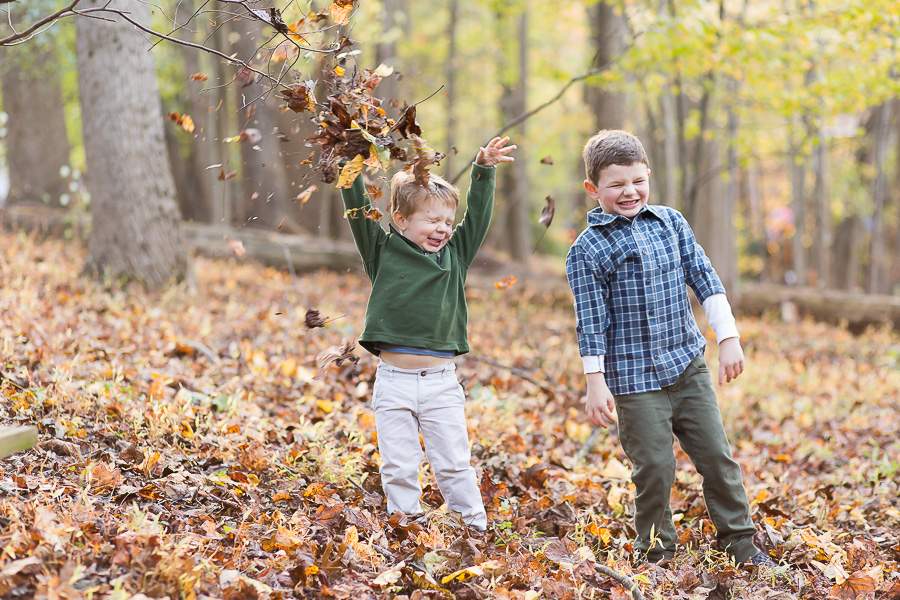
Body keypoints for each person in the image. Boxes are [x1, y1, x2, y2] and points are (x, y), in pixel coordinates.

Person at [565, 130, 775, 567]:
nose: (630, 192)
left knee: (718, 457)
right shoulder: (586, 250)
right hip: (634, 380)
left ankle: (739, 542)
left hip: (687, 366)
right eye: (616, 184)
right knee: (655, 469)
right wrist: (595, 382)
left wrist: (728, 337)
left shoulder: (671, 223)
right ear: (593, 189)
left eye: (638, 180)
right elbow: (591, 321)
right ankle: (657, 552)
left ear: (649, 176)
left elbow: (704, 277)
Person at [340, 136, 516, 531]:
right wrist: (347, 162)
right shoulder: (381, 251)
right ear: (400, 219)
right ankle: (406, 526)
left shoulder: (455, 255)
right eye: (432, 220)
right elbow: (357, 209)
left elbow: (478, 218)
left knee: (454, 462)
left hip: (440, 384)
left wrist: (483, 170)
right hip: (394, 383)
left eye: (447, 222)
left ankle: (473, 527)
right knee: (399, 464)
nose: (442, 229)